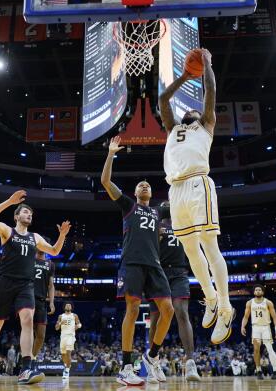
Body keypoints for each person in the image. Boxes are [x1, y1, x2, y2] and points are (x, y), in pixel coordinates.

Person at [159, 48, 234, 344]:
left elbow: (211, 90)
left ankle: (226, 307)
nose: (189, 110)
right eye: (187, 110)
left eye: (194, 110)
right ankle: (211, 298)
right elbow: (164, 99)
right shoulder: (173, 128)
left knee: (209, 244)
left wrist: (207, 65)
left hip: (197, 184)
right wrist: (184, 76)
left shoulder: (206, 124)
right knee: (190, 250)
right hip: (175, 189)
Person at [101, 136, 175, 385]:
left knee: (168, 310)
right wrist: (111, 154)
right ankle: (126, 367)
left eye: (148, 185)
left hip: (155, 265)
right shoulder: (128, 206)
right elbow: (105, 181)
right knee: (131, 310)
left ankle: (151, 357)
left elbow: (178, 198)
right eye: (140, 185)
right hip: (132, 262)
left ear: (152, 192)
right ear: (135, 192)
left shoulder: (159, 211)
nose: (144, 186)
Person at [0, 190, 70, 385]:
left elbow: (54, 250)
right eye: (25, 212)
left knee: (27, 320)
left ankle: (26, 368)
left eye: (31, 213)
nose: (29, 215)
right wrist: (9, 202)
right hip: (4, 283)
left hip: (25, 285)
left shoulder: (35, 237)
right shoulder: (7, 231)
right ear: (17, 216)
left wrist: (61, 235)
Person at [148, 202, 200, 381]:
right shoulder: (154, 226)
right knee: (155, 317)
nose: (169, 204)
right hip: (158, 272)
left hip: (179, 272)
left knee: (181, 312)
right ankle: (153, 363)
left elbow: (194, 249)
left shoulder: (184, 225)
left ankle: (191, 362)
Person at [241, 285, 276, 380]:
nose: (258, 291)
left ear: (262, 292)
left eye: (259, 290)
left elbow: (274, 317)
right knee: (256, 350)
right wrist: (242, 326)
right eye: (256, 290)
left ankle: (275, 371)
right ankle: (258, 370)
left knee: (270, 349)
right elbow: (246, 316)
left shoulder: (268, 302)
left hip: (266, 327)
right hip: (255, 328)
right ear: (254, 292)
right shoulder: (249, 303)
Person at [32, 248, 56, 370]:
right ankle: (26, 362)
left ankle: (32, 358)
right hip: (28, 299)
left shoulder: (50, 264)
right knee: (28, 332)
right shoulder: (29, 260)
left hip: (41, 302)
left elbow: (51, 285)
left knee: (41, 335)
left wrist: (51, 302)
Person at [55, 303, 82, 381]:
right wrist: (60, 323)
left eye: (69, 305)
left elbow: (79, 324)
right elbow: (56, 328)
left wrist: (76, 327)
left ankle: (66, 371)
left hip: (71, 336)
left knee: (68, 352)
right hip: (63, 336)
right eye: (67, 305)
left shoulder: (74, 315)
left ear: (71, 307)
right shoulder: (60, 316)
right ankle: (67, 365)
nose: (68, 306)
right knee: (63, 355)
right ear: (64, 307)